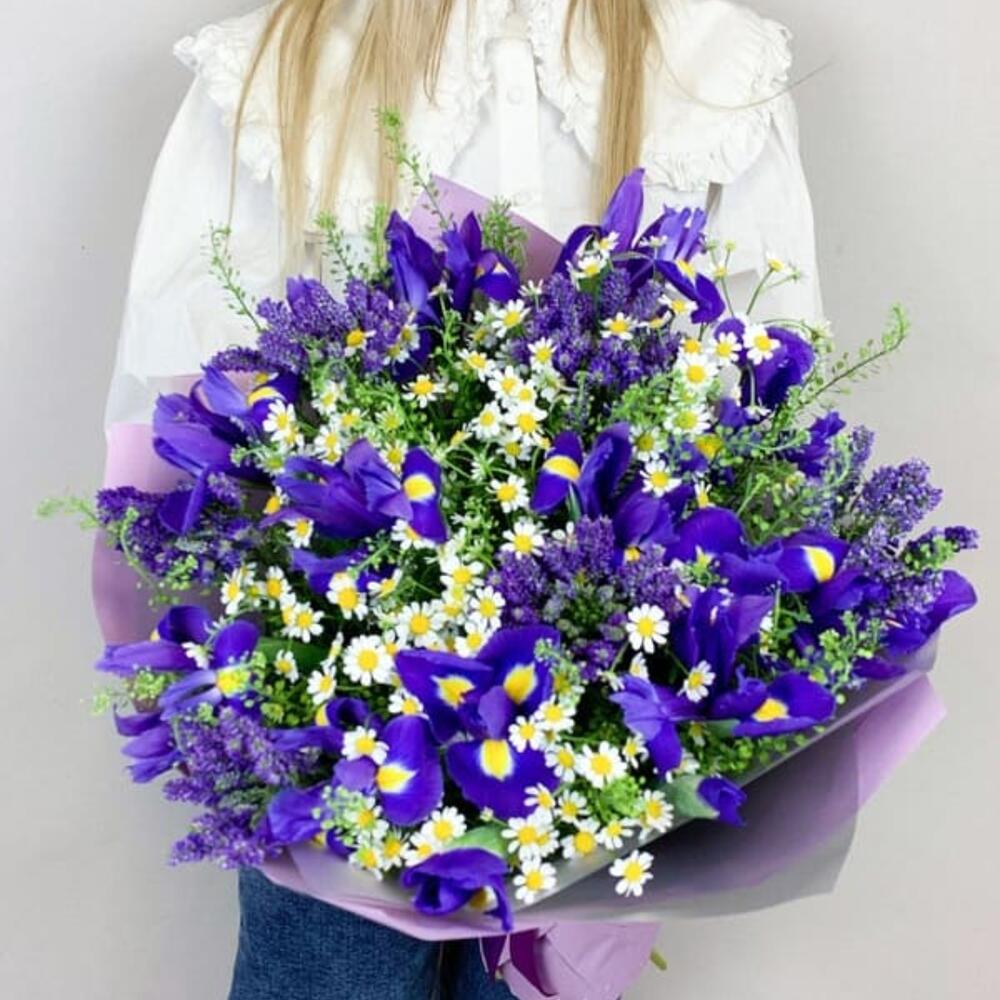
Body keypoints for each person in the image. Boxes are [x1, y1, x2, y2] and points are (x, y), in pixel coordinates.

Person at [104, 2, 823, 997]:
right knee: (328, 978)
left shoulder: (711, 68)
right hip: (337, 713)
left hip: (603, 705)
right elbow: (189, 427)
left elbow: (766, 410)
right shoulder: (274, 73)